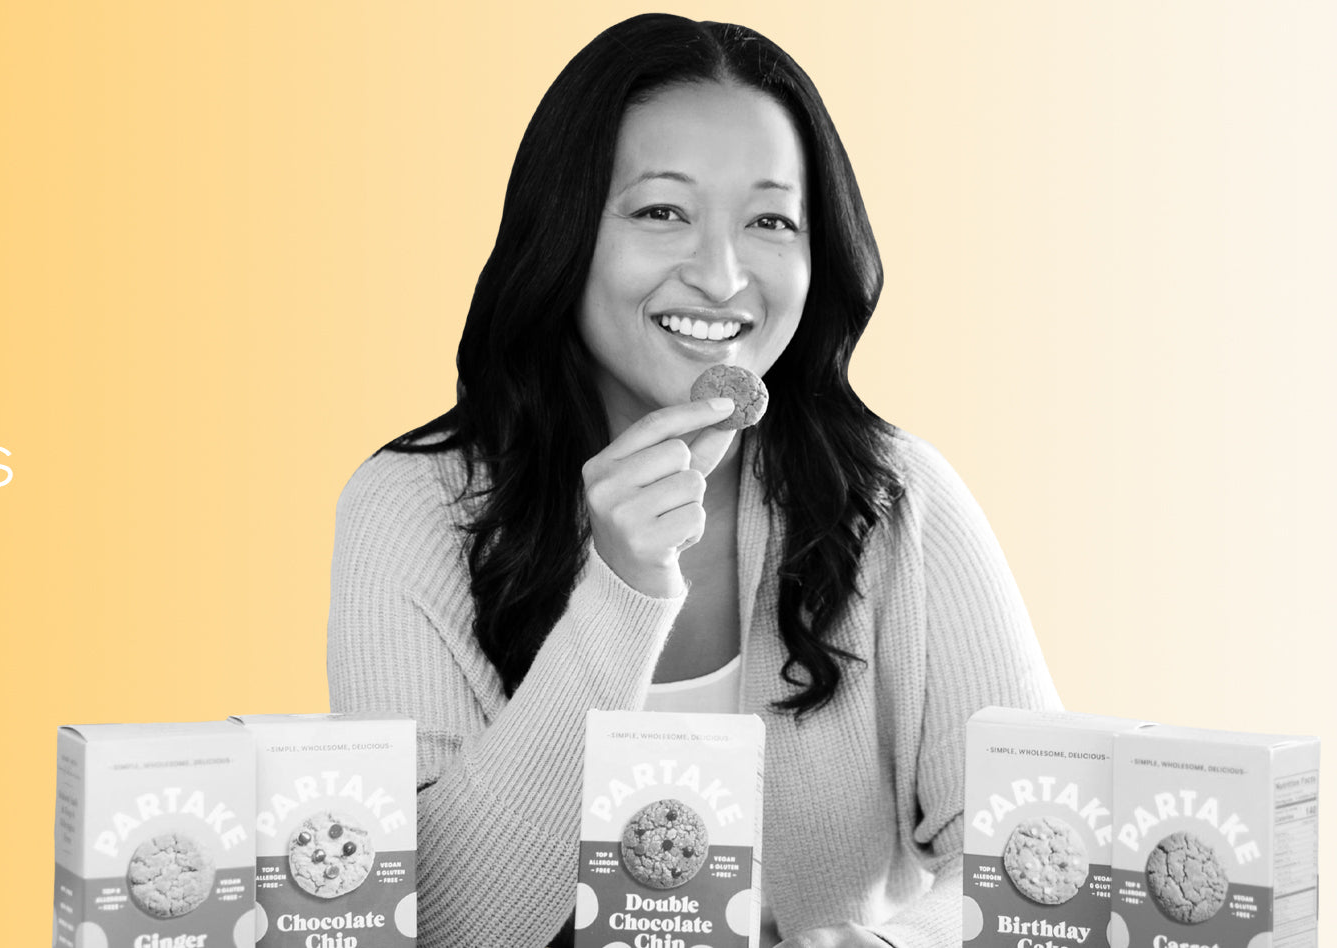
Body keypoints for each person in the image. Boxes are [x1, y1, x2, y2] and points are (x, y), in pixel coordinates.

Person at [326, 14, 1060, 948]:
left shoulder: (897, 500)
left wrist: (880, 945)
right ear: (565, 233)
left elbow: (1036, 846)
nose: (722, 277)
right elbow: (434, 925)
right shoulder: (411, 508)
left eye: (769, 221)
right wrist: (621, 592)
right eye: (661, 211)